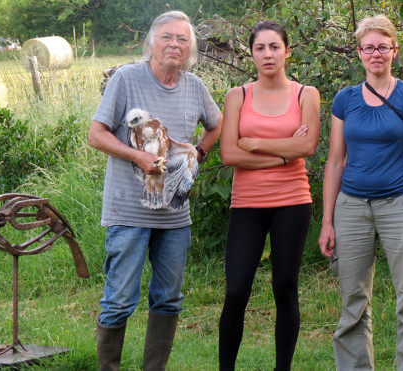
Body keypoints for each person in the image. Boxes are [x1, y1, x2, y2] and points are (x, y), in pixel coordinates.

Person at [88, 10, 222, 371]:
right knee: (119, 299)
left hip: (176, 215)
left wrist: (197, 155)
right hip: (128, 210)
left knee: (168, 299)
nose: (175, 44)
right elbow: (96, 134)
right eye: (167, 37)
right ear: (151, 42)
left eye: (182, 39)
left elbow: (216, 123)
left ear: (190, 48)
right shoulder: (127, 78)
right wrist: (138, 157)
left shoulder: (194, 86)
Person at [318, 14, 403, 371]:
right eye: (368, 47)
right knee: (353, 300)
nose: (376, 54)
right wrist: (327, 221)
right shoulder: (345, 100)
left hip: (401, 205)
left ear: (394, 50)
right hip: (351, 208)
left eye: (383, 47)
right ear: (359, 53)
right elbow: (335, 162)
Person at [218, 20, 321, 371]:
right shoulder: (238, 96)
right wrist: (283, 153)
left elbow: (307, 145)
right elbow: (229, 154)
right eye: (260, 48)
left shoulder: (306, 94)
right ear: (251, 54)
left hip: (292, 202)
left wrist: (259, 143)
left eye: (274, 46)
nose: (267, 54)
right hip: (247, 204)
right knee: (235, 291)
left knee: (285, 286)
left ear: (287, 51)